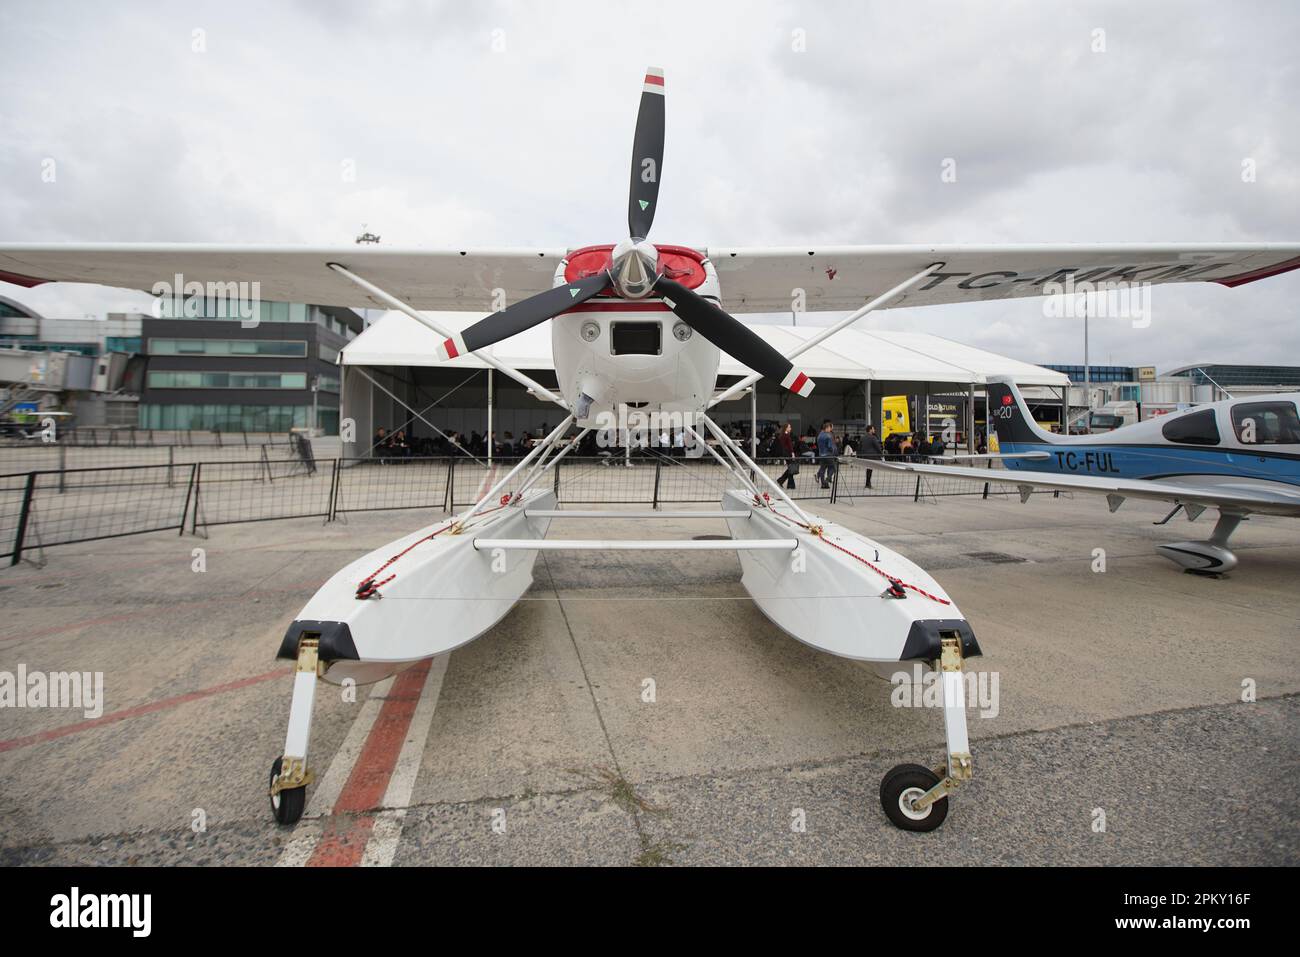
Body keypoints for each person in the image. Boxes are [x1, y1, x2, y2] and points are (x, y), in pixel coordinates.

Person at [814, 420, 837, 489]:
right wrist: (833, 450)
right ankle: (827, 479)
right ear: (827, 428)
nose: (830, 430)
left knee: (822, 469)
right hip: (828, 455)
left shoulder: (819, 435)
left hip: (821, 455)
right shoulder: (828, 436)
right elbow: (830, 446)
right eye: (830, 428)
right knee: (833, 468)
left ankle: (823, 484)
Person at [774, 422, 798, 489]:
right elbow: (790, 445)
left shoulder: (782, 435)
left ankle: (784, 482)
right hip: (788, 453)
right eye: (789, 427)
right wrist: (792, 453)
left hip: (785, 453)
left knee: (790, 468)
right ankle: (786, 482)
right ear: (786, 428)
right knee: (791, 468)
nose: (790, 428)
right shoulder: (786, 435)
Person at [861, 424, 883, 488]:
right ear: (870, 430)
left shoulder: (863, 437)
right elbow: (877, 447)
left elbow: (859, 447)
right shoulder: (873, 437)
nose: (874, 430)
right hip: (871, 456)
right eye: (873, 429)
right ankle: (868, 483)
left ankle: (867, 483)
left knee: (868, 469)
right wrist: (881, 454)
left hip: (865, 456)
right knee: (869, 470)